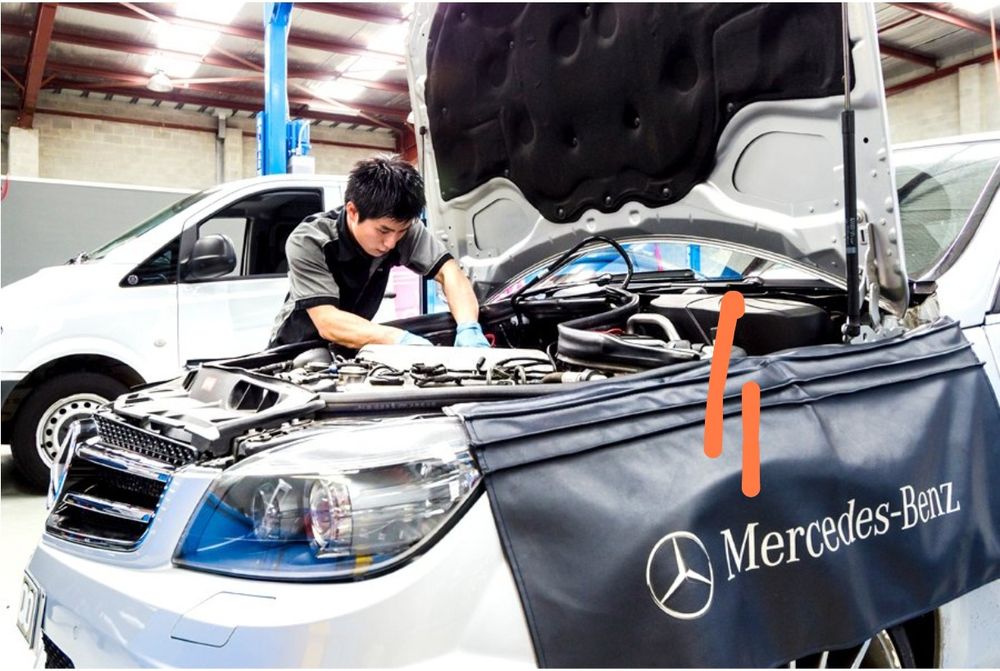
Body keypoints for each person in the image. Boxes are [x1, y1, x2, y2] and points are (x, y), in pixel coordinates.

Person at [269, 155, 490, 351]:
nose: (391, 243)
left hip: (351, 347)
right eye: (383, 231)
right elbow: (327, 322)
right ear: (353, 211)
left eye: (401, 231)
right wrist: (400, 339)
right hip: (294, 350)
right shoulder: (310, 241)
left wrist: (469, 326)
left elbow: (449, 272)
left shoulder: (403, 229)